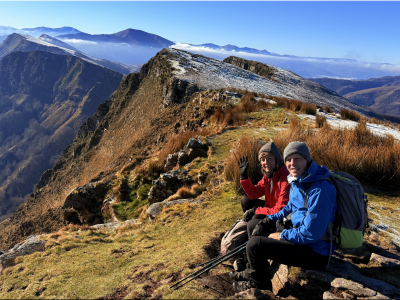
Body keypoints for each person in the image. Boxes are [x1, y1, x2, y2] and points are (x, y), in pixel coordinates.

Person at [232, 141, 337, 292]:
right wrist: (270, 219)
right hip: (302, 238)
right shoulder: (300, 179)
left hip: (316, 252)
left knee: (255, 245)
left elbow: (311, 233)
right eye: (289, 159)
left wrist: (283, 235)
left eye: (297, 159)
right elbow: (289, 207)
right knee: (257, 229)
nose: (292, 163)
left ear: (307, 159)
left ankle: (259, 285)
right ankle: (252, 273)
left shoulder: (320, 189)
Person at [238, 142, 290, 235]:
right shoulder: (268, 176)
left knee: (254, 220)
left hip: (282, 217)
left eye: (269, 159)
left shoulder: (285, 177)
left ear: (277, 159)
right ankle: (251, 232)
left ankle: (256, 240)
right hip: (271, 208)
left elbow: (280, 210)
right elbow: (254, 194)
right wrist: (244, 177)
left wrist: (255, 210)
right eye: (263, 160)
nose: (266, 163)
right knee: (246, 201)